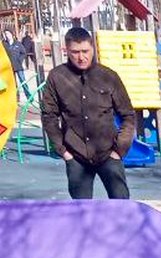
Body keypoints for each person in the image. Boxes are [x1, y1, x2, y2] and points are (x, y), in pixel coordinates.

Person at [40, 27, 134, 200]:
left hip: (108, 152)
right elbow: (49, 116)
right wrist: (63, 151)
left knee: (121, 205)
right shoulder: (57, 77)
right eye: (75, 52)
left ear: (93, 49)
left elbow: (128, 114)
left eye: (85, 51)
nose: (81, 57)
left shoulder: (109, 76)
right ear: (66, 50)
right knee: (81, 211)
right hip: (75, 155)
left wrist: (120, 149)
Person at [2, 30, 29, 101]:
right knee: (13, 83)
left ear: (12, 34)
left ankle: (29, 97)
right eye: (6, 34)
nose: (7, 35)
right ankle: (17, 98)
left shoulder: (17, 43)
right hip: (10, 67)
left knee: (23, 81)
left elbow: (23, 52)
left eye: (8, 34)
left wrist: (20, 60)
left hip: (18, 66)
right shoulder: (4, 44)